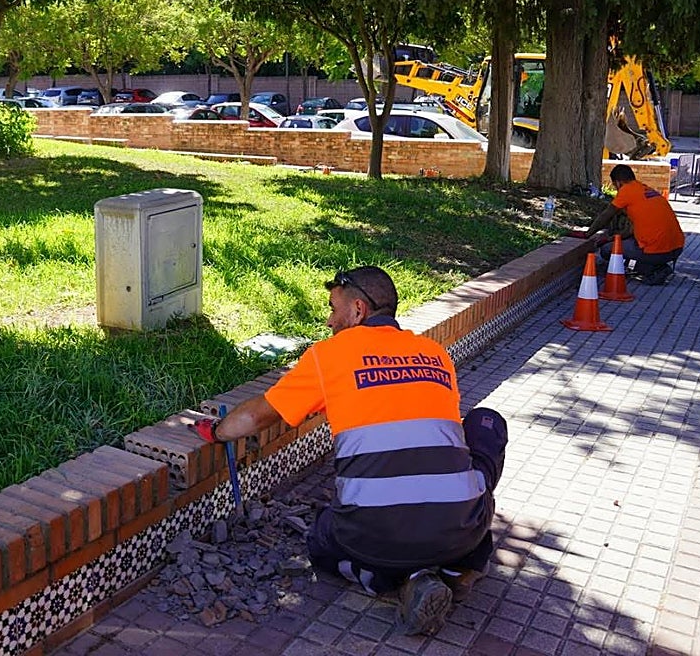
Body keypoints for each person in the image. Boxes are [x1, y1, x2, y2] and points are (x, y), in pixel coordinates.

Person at [192, 266, 507, 636]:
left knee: (321, 540)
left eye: (332, 309)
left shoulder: (330, 355)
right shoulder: (435, 353)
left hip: (372, 536)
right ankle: (459, 569)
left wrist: (216, 431)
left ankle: (393, 580)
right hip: (461, 529)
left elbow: (259, 417)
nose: (328, 321)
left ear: (358, 311)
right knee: (486, 422)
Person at [584, 163, 684, 284]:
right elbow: (632, 230)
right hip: (677, 247)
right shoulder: (645, 189)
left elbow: (606, 215)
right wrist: (612, 238)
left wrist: (588, 234)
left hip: (657, 250)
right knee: (632, 249)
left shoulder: (626, 191)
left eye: (615, 186)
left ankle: (655, 270)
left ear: (618, 183)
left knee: (606, 250)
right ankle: (655, 266)